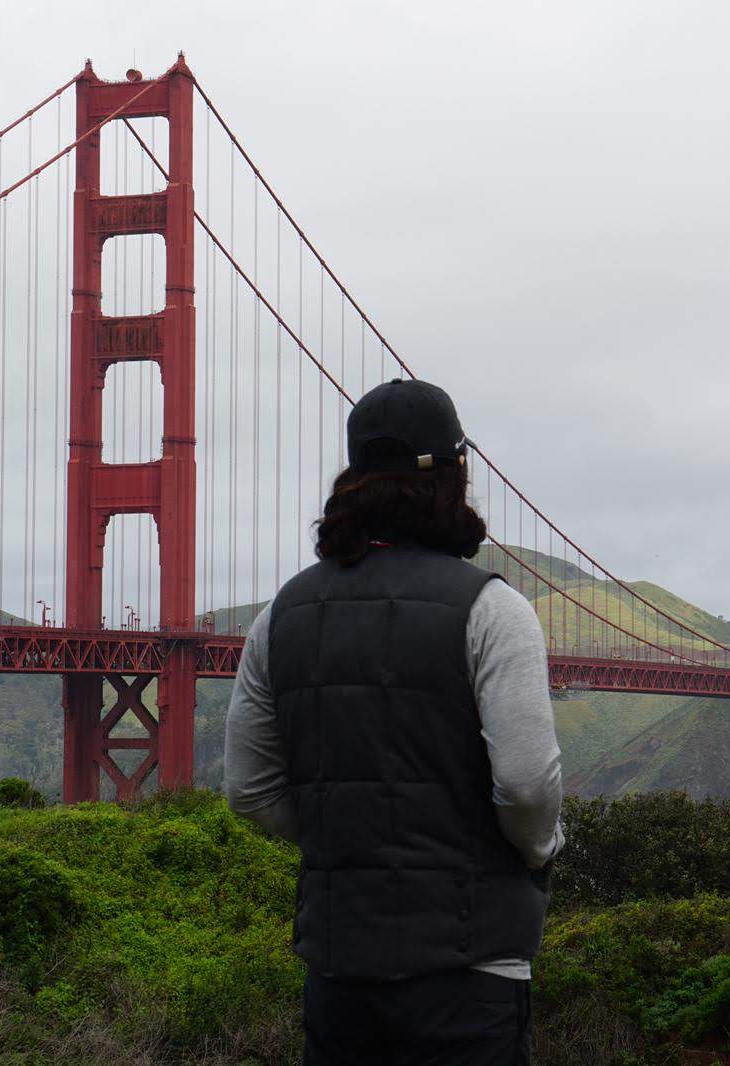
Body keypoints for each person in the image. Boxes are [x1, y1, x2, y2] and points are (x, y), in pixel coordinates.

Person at [224, 378, 563, 1065]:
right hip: (471, 974)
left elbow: (249, 790)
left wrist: (348, 841)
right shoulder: (493, 610)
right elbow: (528, 788)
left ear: (353, 479)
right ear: (455, 474)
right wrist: (539, 849)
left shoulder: (277, 617)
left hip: (340, 978)